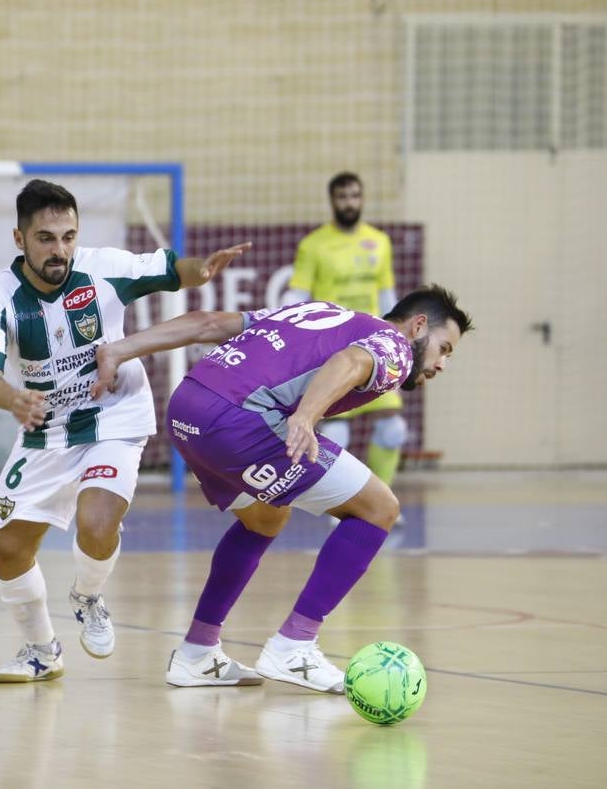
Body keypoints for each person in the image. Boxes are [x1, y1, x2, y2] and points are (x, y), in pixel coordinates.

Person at [92, 286, 471, 692]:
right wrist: (307, 415)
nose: (442, 363)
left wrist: (119, 350)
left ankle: (197, 653)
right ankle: (295, 645)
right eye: (444, 347)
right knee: (379, 508)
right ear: (418, 326)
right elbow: (351, 361)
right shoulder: (395, 346)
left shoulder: (317, 311)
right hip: (240, 422)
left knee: (264, 518)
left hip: (188, 406)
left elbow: (208, 323)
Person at [0, 178, 250, 683]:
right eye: (46, 238)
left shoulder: (106, 268)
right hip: (45, 430)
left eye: (69, 236)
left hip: (115, 416)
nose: (60, 250)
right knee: (7, 551)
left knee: (96, 523)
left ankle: (88, 595)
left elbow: (172, 271)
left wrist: (201, 270)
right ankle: (41, 651)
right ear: (19, 239)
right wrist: (14, 398)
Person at [285, 172, 408, 488]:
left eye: (354, 195)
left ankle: (382, 501)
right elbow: (297, 293)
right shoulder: (314, 245)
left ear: (362, 198)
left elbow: (386, 297)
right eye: (342, 197)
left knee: (393, 430)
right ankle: (343, 503)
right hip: (335, 349)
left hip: (377, 348)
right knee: (337, 432)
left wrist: (401, 338)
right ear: (332, 201)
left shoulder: (379, 242)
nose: (349, 202)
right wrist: (282, 321)